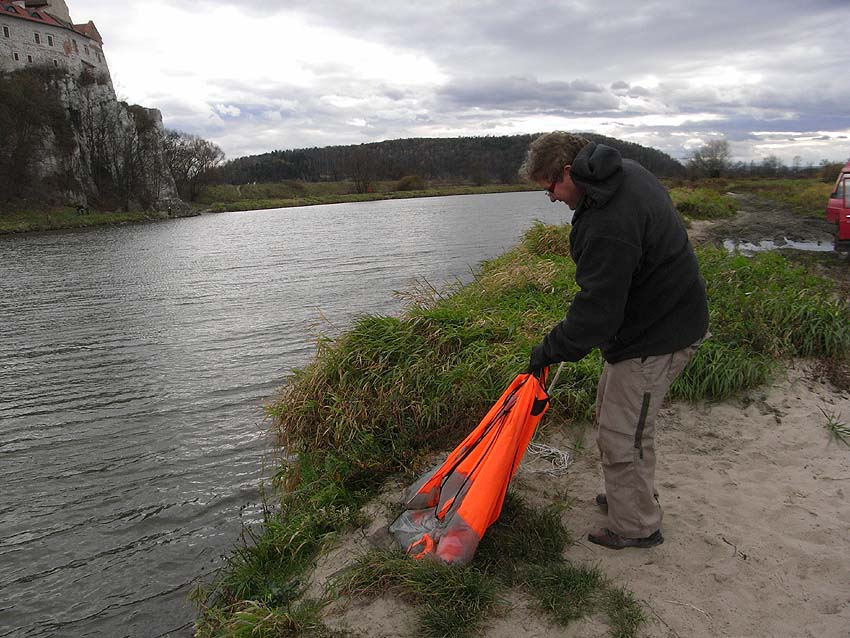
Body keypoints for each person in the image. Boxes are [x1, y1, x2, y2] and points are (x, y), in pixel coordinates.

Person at [521, 132, 709, 550]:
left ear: (568, 172)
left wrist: (548, 350)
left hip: (658, 334)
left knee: (622, 433)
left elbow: (596, 314)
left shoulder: (609, 221)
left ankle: (637, 526)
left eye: (550, 188)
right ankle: (632, 496)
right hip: (648, 323)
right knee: (620, 417)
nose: (551, 198)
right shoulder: (622, 172)